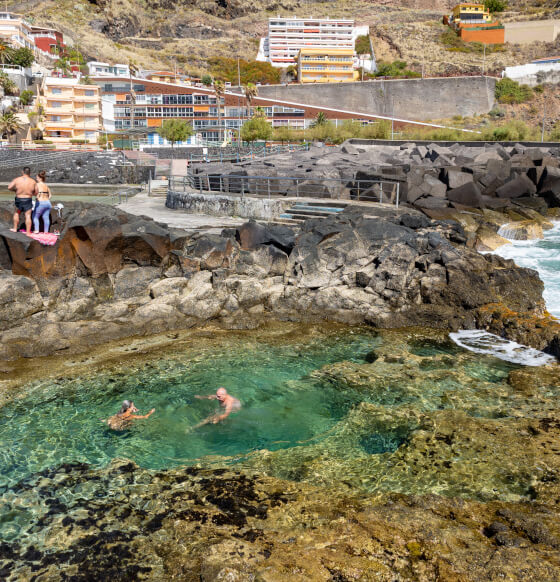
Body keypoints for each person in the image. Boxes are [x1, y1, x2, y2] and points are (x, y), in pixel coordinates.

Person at [8, 167, 36, 234]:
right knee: (28, 215)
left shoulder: (17, 179)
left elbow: (9, 187)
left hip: (19, 198)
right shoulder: (33, 181)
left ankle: (15, 229)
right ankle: (28, 232)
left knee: (17, 213)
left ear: (22, 172)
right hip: (28, 199)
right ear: (29, 173)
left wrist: (15, 190)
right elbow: (36, 192)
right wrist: (30, 193)